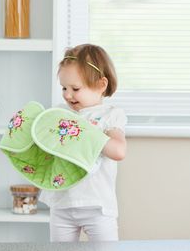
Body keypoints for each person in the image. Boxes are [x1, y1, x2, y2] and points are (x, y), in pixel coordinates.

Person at [39, 43, 127, 242]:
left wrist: (85, 130)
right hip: (62, 203)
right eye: (64, 87)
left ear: (101, 84)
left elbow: (118, 151)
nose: (67, 95)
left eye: (75, 88)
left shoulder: (110, 115)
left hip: (97, 206)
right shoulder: (60, 113)